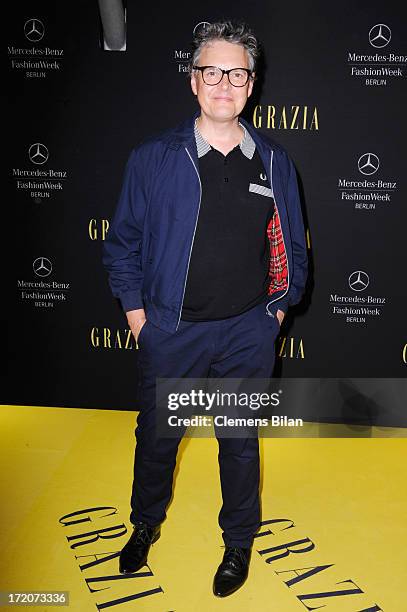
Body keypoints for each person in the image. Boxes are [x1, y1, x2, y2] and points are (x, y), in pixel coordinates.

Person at [102, 20, 308, 598]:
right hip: (172, 330)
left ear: (251, 85)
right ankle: (144, 526)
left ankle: (238, 541)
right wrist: (137, 316)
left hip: (248, 330)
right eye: (212, 71)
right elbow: (123, 243)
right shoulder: (153, 158)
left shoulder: (273, 160)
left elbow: (292, 244)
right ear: (194, 81)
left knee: (238, 441)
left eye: (237, 73)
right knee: (158, 438)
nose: (225, 83)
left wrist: (278, 310)